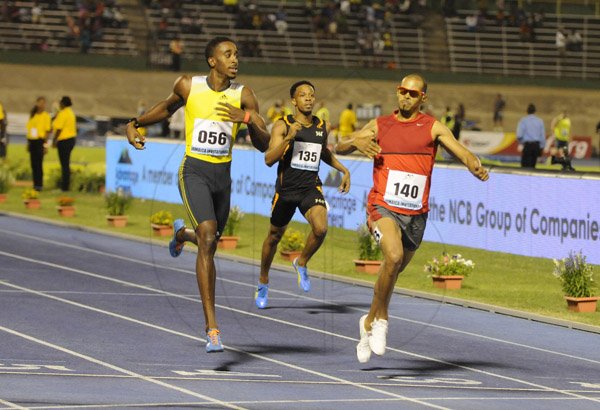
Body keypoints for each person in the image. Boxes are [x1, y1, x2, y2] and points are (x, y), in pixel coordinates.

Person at [125, 37, 270, 353]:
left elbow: (263, 144)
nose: (235, 59)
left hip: (223, 176)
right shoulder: (189, 85)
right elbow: (166, 108)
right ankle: (212, 328)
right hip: (194, 171)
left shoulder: (243, 95)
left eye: (237, 53)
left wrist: (245, 118)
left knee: (210, 240)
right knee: (208, 238)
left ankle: (181, 234)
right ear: (212, 60)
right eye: (227, 54)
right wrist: (134, 124)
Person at [336, 74, 488, 363]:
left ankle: (367, 321)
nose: (405, 97)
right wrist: (356, 141)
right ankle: (381, 321)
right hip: (383, 207)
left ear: (423, 98)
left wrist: (473, 165)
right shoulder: (380, 125)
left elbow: (461, 151)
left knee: (392, 272)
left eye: (412, 93)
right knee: (392, 258)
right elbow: (340, 146)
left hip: (416, 215)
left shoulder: (433, 127)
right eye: (402, 91)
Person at [254, 80, 350, 309]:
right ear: (294, 101)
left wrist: (343, 169)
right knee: (274, 237)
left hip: (310, 188)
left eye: (311, 95)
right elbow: (269, 159)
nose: (308, 98)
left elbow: (323, 152)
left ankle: (302, 262)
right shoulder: (282, 125)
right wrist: (288, 138)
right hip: (286, 191)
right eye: (303, 95)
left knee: (321, 228)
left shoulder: (323, 126)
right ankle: (263, 281)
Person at [26, 97, 52, 191]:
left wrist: (45, 145)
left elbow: (48, 131)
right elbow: (29, 129)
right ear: (37, 103)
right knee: (33, 164)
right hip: (32, 140)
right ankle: (34, 183)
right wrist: (28, 143)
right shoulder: (33, 114)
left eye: (43, 103)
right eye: (40, 103)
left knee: (39, 163)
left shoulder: (46, 116)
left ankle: (39, 185)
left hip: (40, 141)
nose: (42, 105)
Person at [52, 96, 77, 191]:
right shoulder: (70, 112)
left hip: (64, 140)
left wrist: (54, 140)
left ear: (63, 103)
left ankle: (64, 187)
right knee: (66, 164)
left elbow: (59, 128)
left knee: (64, 165)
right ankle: (65, 186)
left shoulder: (63, 113)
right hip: (71, 140)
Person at [516, 103, 545, 169]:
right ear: (535, 111)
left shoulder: (523, 120)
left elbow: (519, 135)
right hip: (536, 146)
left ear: (527, 111)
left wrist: (522, 143)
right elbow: (542, 137)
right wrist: (541, 147)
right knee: (532, 167)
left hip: (527, 146)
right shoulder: (540, 121)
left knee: (524, 168)